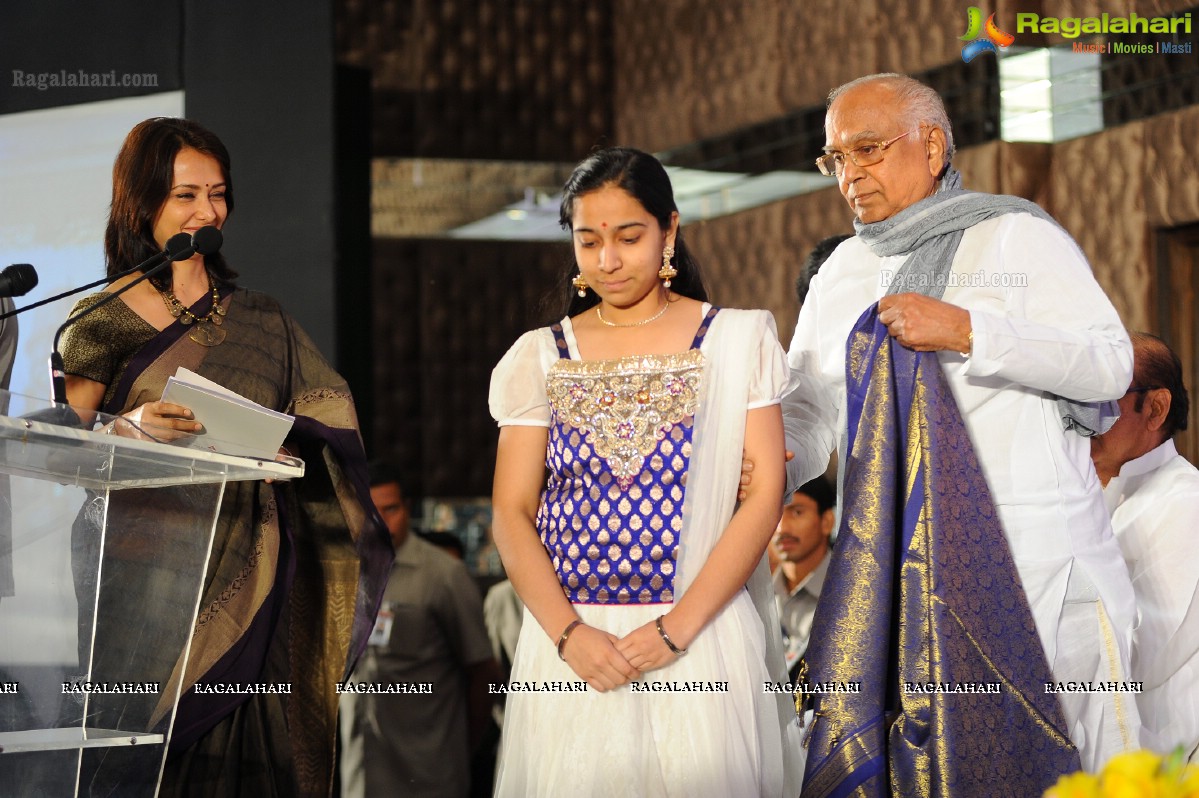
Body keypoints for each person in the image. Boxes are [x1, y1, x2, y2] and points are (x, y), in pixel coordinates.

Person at [782, 73, 1139, 789]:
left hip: (1037, 566)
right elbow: (809, 413)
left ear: (933, 144)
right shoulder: (842, 271)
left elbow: (1109, 365)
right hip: (904, 578)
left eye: (868, 149)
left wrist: (971, 330)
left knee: (1081, 776)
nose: (850, 174)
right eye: (834, 159)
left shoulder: (1015, 236)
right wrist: (757, 469)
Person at [58, 117, 392, 797]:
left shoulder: (264, 321)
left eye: (217, 194)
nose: (207, 211)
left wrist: (281, 437)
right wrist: (132, 428)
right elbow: (67, 450)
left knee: (249, 760)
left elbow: (330, 416)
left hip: (257, 569)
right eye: (185, 195)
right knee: (149, 755)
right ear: (141, 203)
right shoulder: (98, 320)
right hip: (143, 579)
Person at [488, 146, 801, 797]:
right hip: (572, 642)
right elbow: (512, 514)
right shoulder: (538, 357)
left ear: (669, 232)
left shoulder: (735, 341)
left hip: (702, 633)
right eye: (588, 240)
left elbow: (763, 492)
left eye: (628, 237)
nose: (607, 260)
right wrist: (568, 635)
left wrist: (675, 629)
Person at [339, 462, 497, 798]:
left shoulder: (444, 574)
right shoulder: (343, 572)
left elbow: (483, 671)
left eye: (391, 509)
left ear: (407, 508)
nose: (381, 520)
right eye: (370, 510)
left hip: (429, 769)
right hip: (360, 766)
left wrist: (461, 749)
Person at [1091, 332, 1199, 763]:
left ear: (1155, 408)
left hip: (1163, 764)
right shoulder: (1094, 496)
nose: (1080, 420)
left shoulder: (1185, 502)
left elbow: (1140, 658)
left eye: (1100, 401)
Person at [771, 474, 835, 683]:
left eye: (796, 512)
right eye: (774, 514)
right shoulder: (755, 597)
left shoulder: (847, 594)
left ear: (827, 522)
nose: (782, 528)